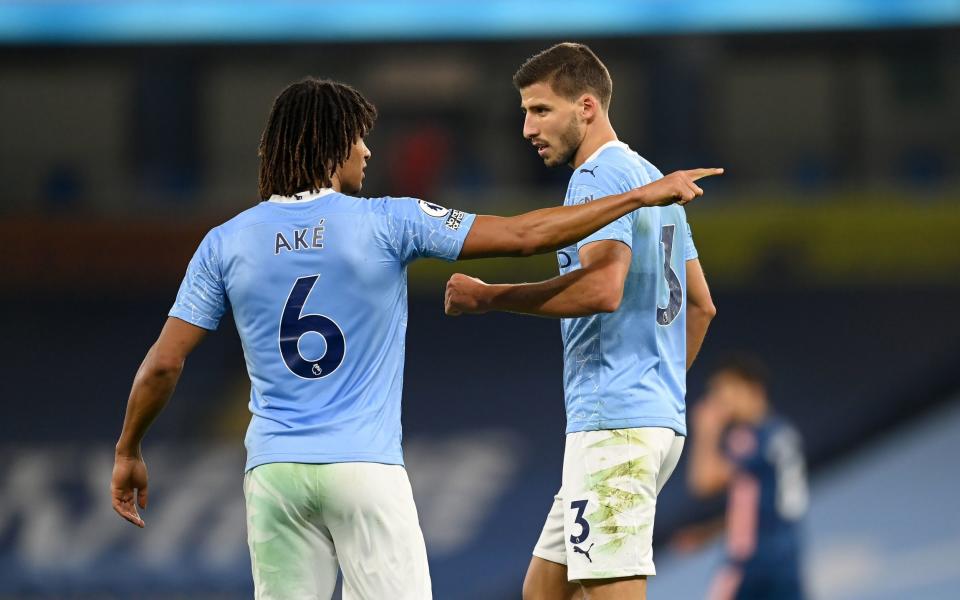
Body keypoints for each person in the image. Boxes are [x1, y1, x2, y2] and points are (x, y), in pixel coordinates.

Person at [108, 76, 719, 600]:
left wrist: (129, 448)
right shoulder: (389, 220)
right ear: (332, 145)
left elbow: (163, 365)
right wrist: (640, 196)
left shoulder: (225, 241)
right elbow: (526, 235)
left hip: (273, 473)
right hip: (363, 469)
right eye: (359, 137)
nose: (368, 151)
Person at [444, 43, 719, 600]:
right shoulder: (650, 178)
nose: (526, 128)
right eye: (524, 112)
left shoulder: (596, 179)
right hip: (649, 419)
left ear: (587, 107)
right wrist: (659, 392)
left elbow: (601, 288)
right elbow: (701, 305)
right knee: (545, 591)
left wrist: (490, 297)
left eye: (540, 110)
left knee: (607, 590)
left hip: (614, 424)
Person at [685, 355, 808, 600]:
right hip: (786, 558)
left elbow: (703, 482)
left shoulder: (750, 439)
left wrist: (706, 431)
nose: (721, 401)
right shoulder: (782, 432)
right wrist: (710, 531)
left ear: (753, 389)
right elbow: (761, 505)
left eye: (726, 390)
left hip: (751, 563)